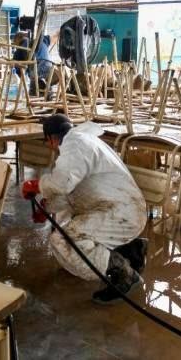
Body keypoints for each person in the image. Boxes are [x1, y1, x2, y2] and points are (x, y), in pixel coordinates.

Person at [22, 114, 148, 304]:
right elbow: (72, 192)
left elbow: (63, 183)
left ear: (50, 139)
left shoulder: (75, 145)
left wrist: (37, 185)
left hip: (119, 212)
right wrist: (47, 207)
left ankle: (123, 274)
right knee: (72, 236)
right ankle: (131, 249)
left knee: (67, 239)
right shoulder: (83, 140)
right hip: (120, 208)